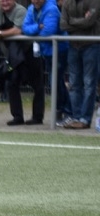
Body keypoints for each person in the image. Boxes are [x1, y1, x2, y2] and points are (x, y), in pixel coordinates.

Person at [0, 0, 44, 125]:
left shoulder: (21, 11)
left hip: (28, 52)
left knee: (37, 84)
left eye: (7, 0)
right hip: (12, 55)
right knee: (12, 83)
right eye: (2, 0)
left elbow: (18, 30)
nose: (5, 3)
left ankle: (37, 117)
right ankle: (17, 117)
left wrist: (0, 33)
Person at [23, 0, 70, 124]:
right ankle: (63, 110)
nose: (35, 1)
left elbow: (48, 31)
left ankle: (66, 110)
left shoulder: (52, 9)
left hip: (59, 51)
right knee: (55, 82)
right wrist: (38, 27)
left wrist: (35, 31)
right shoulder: (31, 8)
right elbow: (25, 28)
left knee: (56, 82)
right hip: (47, 51)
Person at [59, 0, 100, 129]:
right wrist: (82, 21)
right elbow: (63, 25)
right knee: (74, 84)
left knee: (89, 83)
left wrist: (71, 21)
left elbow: (90, 22)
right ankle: (76, 118)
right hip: (73, 46)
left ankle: (85, 119)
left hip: (91, 45)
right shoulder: (67, 3)